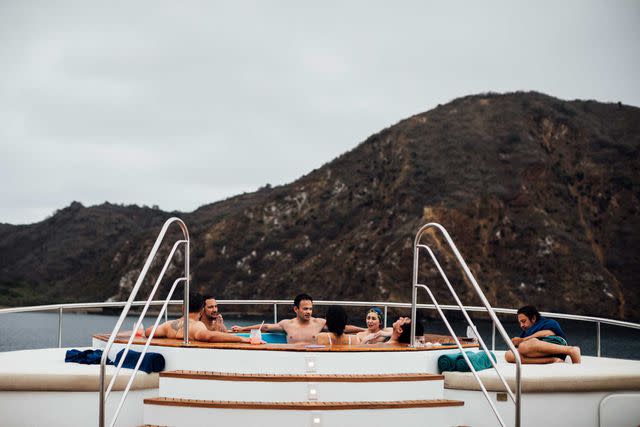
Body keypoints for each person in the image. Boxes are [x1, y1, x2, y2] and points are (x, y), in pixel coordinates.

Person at [232, 293, 364, 344]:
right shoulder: (287, 324)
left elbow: (343, 328)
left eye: (310, 309)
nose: (308, 312)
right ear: (296, 309)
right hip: (292, 359)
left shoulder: (319, 322)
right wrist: (242, 328)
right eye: (305, 309)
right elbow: (265, 327)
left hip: (315, 360)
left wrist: (364, 329)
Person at [147, 293, 256, 344]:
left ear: (183, 308)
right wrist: (243, 339)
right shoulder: (196, 326)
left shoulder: (169, 325)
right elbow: (209, 336)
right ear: (201, 309)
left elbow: (149, 332)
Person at [505, 305, 581, 364]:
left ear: (533, 318)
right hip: (538, 353)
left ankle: (571, 350)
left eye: (523, 321)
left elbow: (549, 332)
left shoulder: (548, 322)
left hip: (556, 346)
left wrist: (522, 340)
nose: (521, 325)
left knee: (523, 346)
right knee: (509, 355)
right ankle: (551, 360)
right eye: (520, 322)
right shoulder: (525, 332)